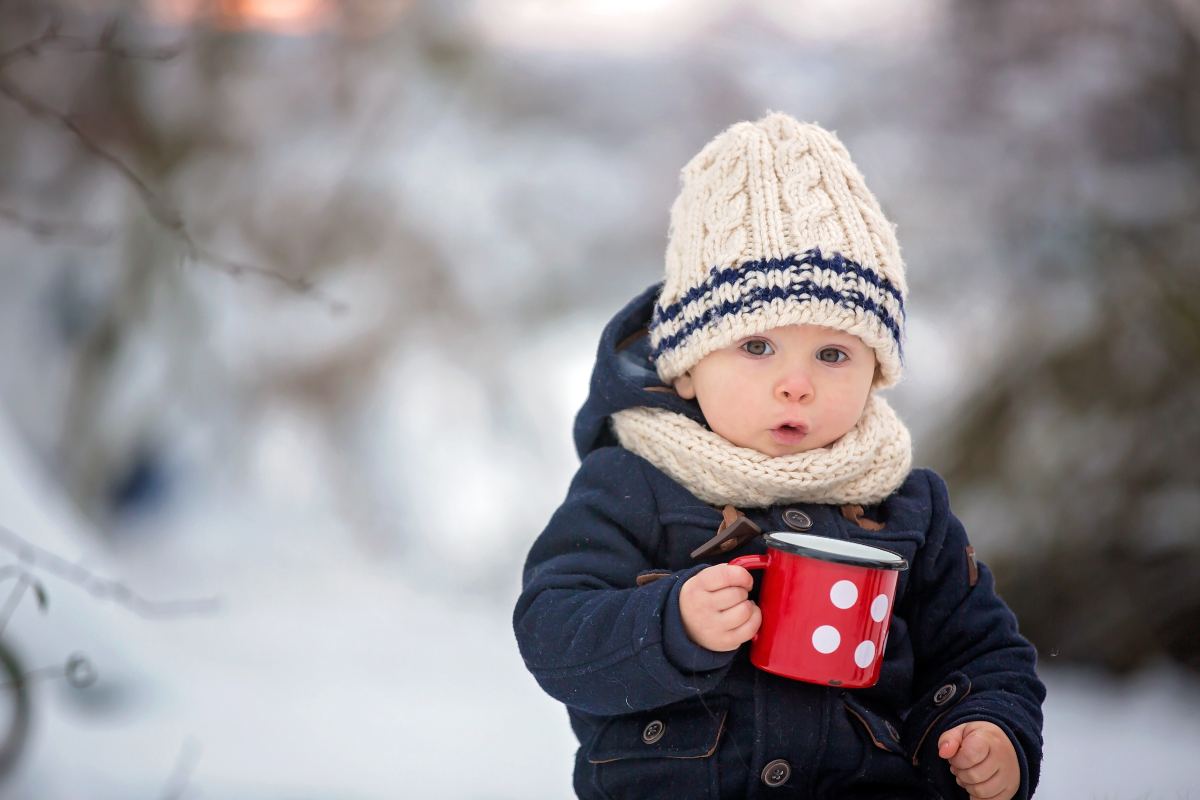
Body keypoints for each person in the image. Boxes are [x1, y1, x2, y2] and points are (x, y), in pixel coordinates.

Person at [512, 111, 1045, 799]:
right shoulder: (633, 486)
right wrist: (670, 626)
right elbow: (554, 631)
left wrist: (989, 726)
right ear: (685, 368)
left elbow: (983, 652)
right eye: (757, 347)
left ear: (876, 372)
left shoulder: (911, 509)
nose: (797, 382)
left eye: (833, 353)